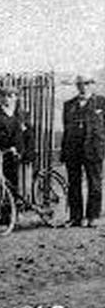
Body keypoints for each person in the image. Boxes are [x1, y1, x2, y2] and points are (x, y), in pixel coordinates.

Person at [62, 75, 105, 228]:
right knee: (73, 184)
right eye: (80, 84)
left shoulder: (101, 102)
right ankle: (75, 217)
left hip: (93, 149)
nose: (83, 87)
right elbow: (66, 130)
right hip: (73, 150)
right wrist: (64, 151)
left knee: (95, 183)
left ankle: (93, 216)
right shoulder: (69, 105)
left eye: (87, 83)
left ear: (92, 84)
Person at [0, 86, 33, 196]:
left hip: (14, 158)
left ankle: (12, 210)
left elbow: (28, 136)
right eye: (3, 96)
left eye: (10, 96)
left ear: (16, 98)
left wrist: (25, 153)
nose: (6, 99)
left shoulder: (22, 116)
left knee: (12, 189)